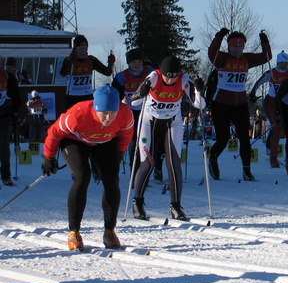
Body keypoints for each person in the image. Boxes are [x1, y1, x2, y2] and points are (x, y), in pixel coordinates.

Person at [41, 85, 134, 250]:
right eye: (104, 113)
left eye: (113, 112)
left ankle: (110, 230)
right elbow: (54, 133)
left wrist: (119, 153)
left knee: (112, 179)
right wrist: (49, 157)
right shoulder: (78, 114)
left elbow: (126, 134)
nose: (108, 117)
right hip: (75, 141)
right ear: (96, 108)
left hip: (105, 141)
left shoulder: (125, 114)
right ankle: (74, 232)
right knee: (83, 176)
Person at [129, 55, 205, 221]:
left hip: (172, 123)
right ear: (161, 73)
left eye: (173, 77)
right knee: (148, 162)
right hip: (149, 123)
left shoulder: (183, 80)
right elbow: (133, 102)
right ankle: (138, 202)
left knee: (174, 163)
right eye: (167, 77)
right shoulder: (154, 77)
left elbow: (199, 105)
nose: (170, 81)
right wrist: (142, 92)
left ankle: (176, 206)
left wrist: (199, 91)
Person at [207, 29, 271, 181]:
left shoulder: (247, 59)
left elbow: (267, 57)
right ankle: (213, 158)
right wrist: (219, 36)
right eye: (234, 47)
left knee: (244, 138)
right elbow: (212, 52)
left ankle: (247, 170)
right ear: (229, 47)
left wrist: (264, 42)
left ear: (243, 47)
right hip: (221, 104)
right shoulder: (222, 58)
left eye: (240, 47)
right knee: (223, 139)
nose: (237, 50)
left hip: (240, 104)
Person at [250, 51, 288, 168]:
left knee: (284, 127)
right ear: (278, 63)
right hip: (271, 103)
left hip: (284, 103)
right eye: (281, 63)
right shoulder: (271, 73)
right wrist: (253, 93)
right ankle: (272, 156)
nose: (283, 65)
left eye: (285, 63)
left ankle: (278, 149)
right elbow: (259, 82)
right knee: (277, 126)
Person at [111, 48, 153, 168]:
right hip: (131, 113)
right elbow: (116, 95)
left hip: (148, 111)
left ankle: (152, 167)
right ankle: (134, 169)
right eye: (133, 62)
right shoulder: (122, 77)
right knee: (134, 142)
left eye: (139, 62)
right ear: (129, 63)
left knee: (148, 140)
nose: (137, 65)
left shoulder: (150, 73)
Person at [59, 35, 115, 108]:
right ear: (75, 49)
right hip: (72, 97)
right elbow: (63, 73)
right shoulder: (70, 60)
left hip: (87, 96)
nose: (83, 51)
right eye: (81, 49)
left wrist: (111, 63)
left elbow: (107, 72)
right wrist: (69, 61)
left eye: (85, 49)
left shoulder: (91, 60)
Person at [0, 59, 21, 187]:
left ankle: (6, 175)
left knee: (3, 145)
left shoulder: (8, 76)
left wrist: (15, 111)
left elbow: (16, 96)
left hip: (4, 115)